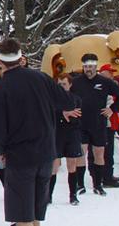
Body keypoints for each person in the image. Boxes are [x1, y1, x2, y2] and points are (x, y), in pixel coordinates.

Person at [0, 38, 73, 226]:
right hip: (45, 153)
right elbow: (67, 102)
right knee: (35, 213)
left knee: (22, 215)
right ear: (20, 57)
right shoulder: (41, 78)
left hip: (20, 156)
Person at [70, 53, 119, 195]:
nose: (88, 69)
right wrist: (69, 110)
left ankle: (98, 184)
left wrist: (112, 109)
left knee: (99, 153)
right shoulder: (76, 81)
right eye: (86, 66)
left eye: (91, 66)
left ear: (96, 67)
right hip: (81, 123)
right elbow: (65, 95)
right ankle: (80, 185)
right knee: (81, 154)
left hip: (98, 123)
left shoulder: (104, 81)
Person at [49, 74, 83, 206]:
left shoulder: (76, 99)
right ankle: (48, 195)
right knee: (54, 166)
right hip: (57, 134)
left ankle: (73, 194)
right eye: (59, 84)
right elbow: (50, 113)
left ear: (70, 85)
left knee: (72, 165)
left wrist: (67, 115)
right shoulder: (52, 99)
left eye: (64, 84)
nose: (61, 86)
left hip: (72, 134)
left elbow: (77, 116)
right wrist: (63, 113)